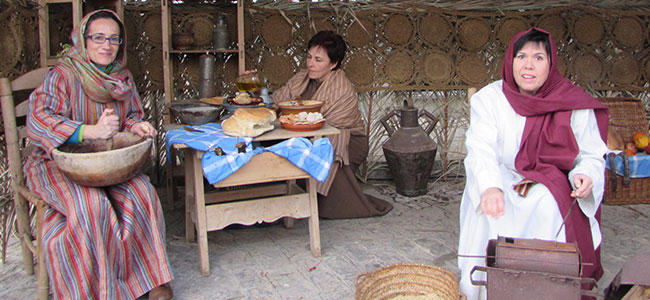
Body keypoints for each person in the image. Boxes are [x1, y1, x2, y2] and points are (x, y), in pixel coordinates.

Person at [24, 10, 173, 300]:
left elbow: (128, 116)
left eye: (114, 39)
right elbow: (38, 119)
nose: (106, 45)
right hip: (58, 164)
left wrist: (136, 125)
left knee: (142, 192)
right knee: (92, 206)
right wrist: (89, 131)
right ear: (83, 39)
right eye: (98, 37)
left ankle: (148, 280)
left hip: (106, 163)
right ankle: (96, 291)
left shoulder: (121, 78)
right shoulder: (63, 75)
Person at [457, 28, 608, 300]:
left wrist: (585, 174)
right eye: (521, 56)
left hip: (549, 180)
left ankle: (546, 289)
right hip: (499, 176)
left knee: (548, 205)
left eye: (538, 57)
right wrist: (490, 187)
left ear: (551, 64)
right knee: (490, 209)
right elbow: (480, 148)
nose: (528, 65)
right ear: (509, 61)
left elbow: (591, 153)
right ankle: (487, 290)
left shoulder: (571, 101)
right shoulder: (490, 100)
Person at [271, 30, 393, 219]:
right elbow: (279, 100)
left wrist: (292, 118)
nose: (311, 63)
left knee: (320, 149)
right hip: (305, 135)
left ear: (333, 63)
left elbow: (325, 124)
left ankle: (316, 199)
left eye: (318, 60)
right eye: (309, 57)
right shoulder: (302, 77)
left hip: (347, 142)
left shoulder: (341, 88)